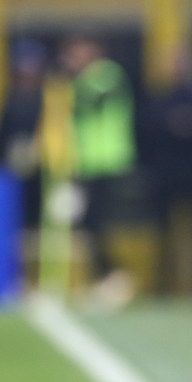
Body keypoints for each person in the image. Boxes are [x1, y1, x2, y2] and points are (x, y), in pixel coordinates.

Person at [60, 34, 138, 307]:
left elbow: (89, 105)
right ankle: (108, 276)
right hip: (88, 165)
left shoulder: (108, 75)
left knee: (100, 221)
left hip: (109, 163)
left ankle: (115, 275)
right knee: (88, 222)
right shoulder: (81, 82)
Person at [144, 47, 192, 296]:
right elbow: (152, 129)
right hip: (166, 175)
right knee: (163, 232)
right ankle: (162, 284)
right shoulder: (161, 97)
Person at [0, 39, 47, 231]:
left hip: (43, 172)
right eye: (22, 72)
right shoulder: (10, 102)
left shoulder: (50, 99)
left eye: (31, 71)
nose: (27, 77)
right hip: (13, 173)